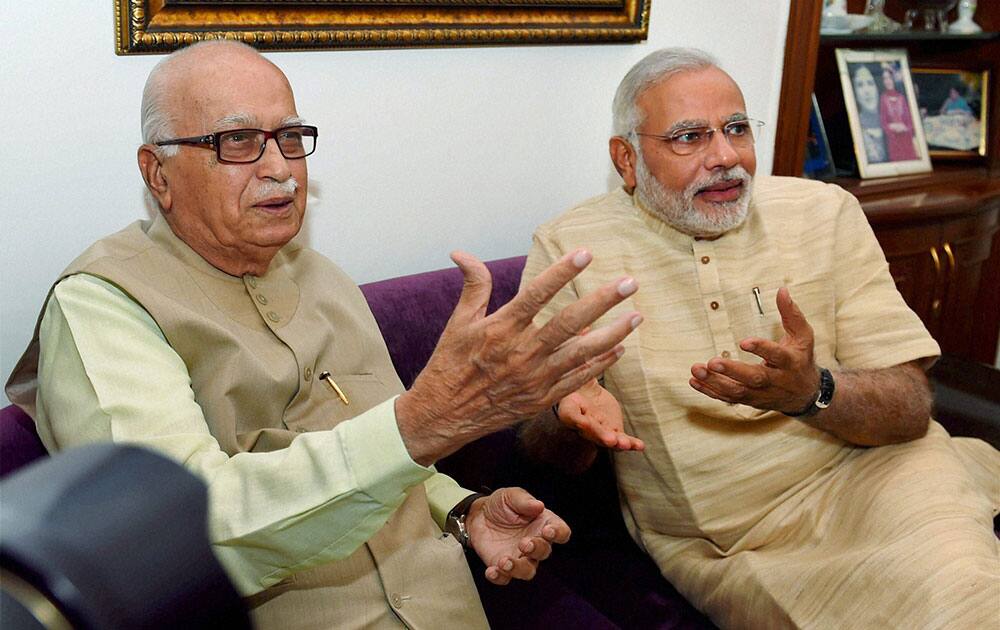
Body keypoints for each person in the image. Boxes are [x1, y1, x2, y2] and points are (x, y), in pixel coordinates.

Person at [5, 40, 643, 629]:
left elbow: (389, 452)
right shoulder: (104, 303)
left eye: (289, 136)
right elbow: (175, 537)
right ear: (158, 173)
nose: (281, 168)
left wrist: (461, 511)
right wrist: (424, 422)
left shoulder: (321, 276)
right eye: (237, 141)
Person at [520, 47, 999, 629]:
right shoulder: (569, 251)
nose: (725, 157)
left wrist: (812, 392)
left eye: (737, 129)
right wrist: (569, 419)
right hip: (735, 543)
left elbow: (910, 408)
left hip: (886, 477)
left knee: (965, 593)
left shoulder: (824, 212)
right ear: (626, 159)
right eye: (689, 137)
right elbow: (543, 453)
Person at [879, 66, 919, 161]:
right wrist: (892, 127)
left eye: (889, 77)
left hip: (907, 141)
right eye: (885, 78)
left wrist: (904, 128)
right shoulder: (883, 99)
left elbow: (910, 122)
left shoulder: (902, 98)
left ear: (893, 79)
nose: (887, 81)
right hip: (894, 143)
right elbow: (883, 123)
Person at [851, 64, 887, 164]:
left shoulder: (890, 121)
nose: (867, 91)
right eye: (860, 85)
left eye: (870, 83)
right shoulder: (855, 127)